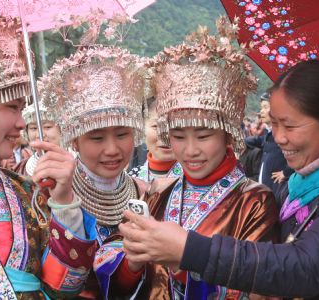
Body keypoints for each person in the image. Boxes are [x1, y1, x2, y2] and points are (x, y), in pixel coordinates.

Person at [119, 50, 319, 298]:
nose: (277, 138)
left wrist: (188, 251)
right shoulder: (299, 187)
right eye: (274, 124)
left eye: (289, 126)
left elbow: (304, 267)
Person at [116, 17, 279, 299]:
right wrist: (131, 263)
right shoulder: (158, 192)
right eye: (178, 137)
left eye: (203, 137)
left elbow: (258, 287)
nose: (190, 150)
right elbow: (124, 283)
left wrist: (183, 262)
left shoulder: (254, 201)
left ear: (228, 134)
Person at [0, 14, 97, 298]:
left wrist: (65, 202)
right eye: (11, 107)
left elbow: (65, 288)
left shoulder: (28, 191)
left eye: (22, 109)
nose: (21, 123)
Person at [39, 45, 148, 298]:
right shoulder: (49, 197)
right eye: (97, 138)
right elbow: (56, 286)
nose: (112, 150)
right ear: (74, 141)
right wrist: (65, 205)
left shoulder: (145, 193)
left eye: (122, 134)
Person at [129, 97, 177, 183]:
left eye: (175, 126)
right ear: (142, 127)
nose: (166, 135)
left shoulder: (198, 178)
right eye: (156, 126)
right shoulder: (132, 180)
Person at [14, 102, 61, 176]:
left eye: (47, 127)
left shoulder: (78, 163)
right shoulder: (20, 169)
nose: (40, 135)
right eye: (34, 128)